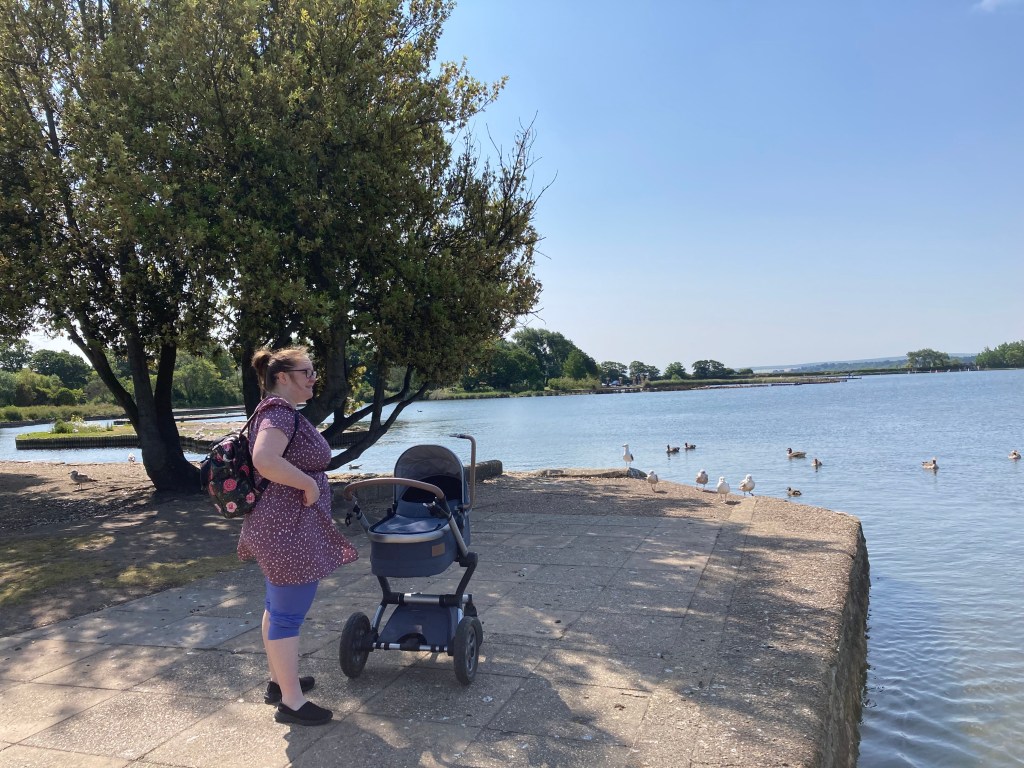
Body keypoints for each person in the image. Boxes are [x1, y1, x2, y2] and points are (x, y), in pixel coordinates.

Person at [239, 346, 359, 726]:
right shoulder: (278, 412)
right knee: (287, 614)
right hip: (285, 529)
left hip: (277, 525)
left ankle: (279, 682)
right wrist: (308, 482)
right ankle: (291, 702)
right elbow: (264, 459)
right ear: (282, 377)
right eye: (306, 372)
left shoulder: (277, 412)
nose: (313, 378)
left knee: (276, 607)